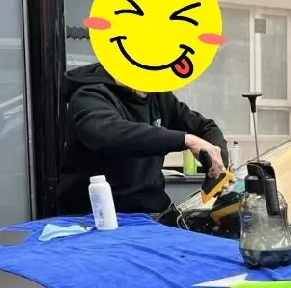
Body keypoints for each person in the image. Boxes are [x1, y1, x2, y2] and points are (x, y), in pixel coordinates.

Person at [57, 62, 228, 216]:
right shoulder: (89, 94)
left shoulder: (158, 95)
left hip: (151, 213)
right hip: (95, 217)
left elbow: (206, 127)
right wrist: (185, 140)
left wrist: (218, 164)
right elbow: (106, 133)